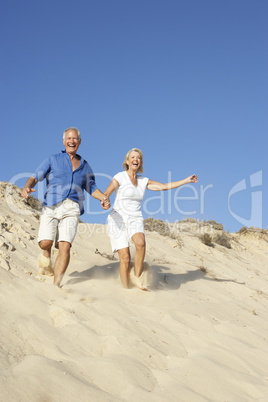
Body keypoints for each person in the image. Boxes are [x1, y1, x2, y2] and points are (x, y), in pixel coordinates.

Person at [21, 127, 110, 286]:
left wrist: (103, 197)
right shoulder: (52, 159)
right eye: (69, 138)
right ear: (63, 141)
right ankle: (46, 253)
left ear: (79, 142)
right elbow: (35, 177)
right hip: (52, 205)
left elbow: (91, 187)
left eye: (75, 139)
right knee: (45, 242)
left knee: (65, 245)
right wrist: (27, 186)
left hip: (72, 207)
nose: (72, 141)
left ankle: (57, 284)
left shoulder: (85, 165)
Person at [104, 148, 198, 290]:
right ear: (127, 161)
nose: (136, 159)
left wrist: (186, 180)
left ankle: (137, 278)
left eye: (139, 157)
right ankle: (125, 289)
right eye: (133, 157)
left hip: (135, 217)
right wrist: (105, 199)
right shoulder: (120, 176)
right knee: (125, 258)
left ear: (140, 162)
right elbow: (109, 190)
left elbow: (165, 187)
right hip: (118, 218)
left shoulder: (143, 181)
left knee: (141, 243)